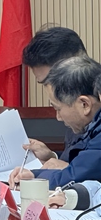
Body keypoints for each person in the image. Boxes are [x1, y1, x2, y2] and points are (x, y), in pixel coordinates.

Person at [9, 56, 101, 189]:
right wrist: (51, 156)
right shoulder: (89, 124)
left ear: (85, 104)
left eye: (58, 108)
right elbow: (81, 162)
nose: (58, 117)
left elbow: (76, 175)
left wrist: (34, 177)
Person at [21, 26, 88, 168]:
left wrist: (68, 170)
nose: (50, 91)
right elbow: (76, 160)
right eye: (44, 84)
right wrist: (52, 157)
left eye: (51, 81)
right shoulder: (70, 104)